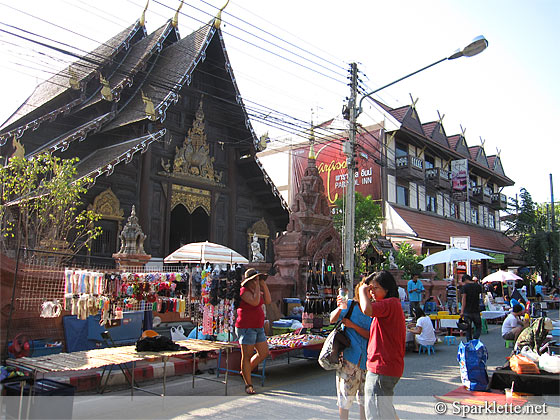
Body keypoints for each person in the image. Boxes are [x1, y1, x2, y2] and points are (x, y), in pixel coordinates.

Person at [358, 271, 405, 420]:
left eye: (375, 288)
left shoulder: (389, 303)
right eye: (370, 290)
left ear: (386, 289)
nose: (371, 293)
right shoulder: (391, 305)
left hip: (381, 367)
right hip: (385, 366)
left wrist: (361, 290)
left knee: (376, 413)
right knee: (385, 410)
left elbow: (367, 310)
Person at [330, 280, 372, 420]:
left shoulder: (373, 311)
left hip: (367, 361)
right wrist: (340, 308)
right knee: (345, 398)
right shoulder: (350, 306)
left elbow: (370, 335)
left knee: (364, 399)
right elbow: (332, 319)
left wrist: (353, 326)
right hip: (349, 359)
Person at [235, 268, 271, 394]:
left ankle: (246, 370)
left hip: (258, 327)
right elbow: (255, 302)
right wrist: (257, 286)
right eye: (254, 280)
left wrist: (263, 284)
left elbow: (268, 301)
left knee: (263, 352)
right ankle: (248, 384)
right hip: (246, 328)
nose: (256, 282)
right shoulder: (243, 291)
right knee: (247, 355)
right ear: (249, 281)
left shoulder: (257, 291)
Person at [460, 274, 483, 341]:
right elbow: (482, 297)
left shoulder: (465, 287)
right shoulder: (478, 286)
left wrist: (462, 311)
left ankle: (469, 343)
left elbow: (464, 299)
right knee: (478, 327)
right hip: (476, 310)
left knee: (468, 329)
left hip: (467, 311)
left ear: (465, 280)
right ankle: (475, 339)